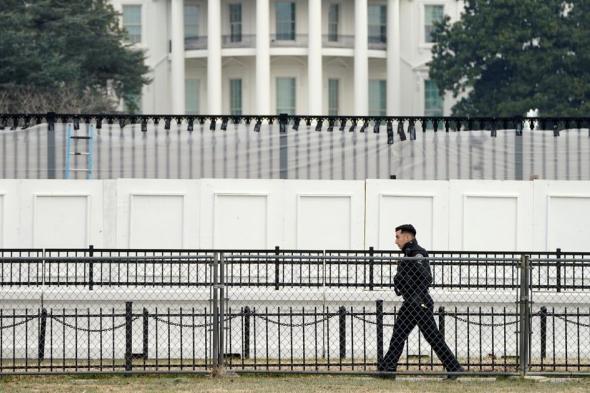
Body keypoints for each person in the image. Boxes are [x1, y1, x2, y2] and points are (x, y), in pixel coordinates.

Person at [378, 224, 464, 379]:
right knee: (400, 334)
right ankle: (387, 369)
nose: (395, 241)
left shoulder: (417, 253)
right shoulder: (409, 253)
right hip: (412, 302)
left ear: (407, 237)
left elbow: (426, 277)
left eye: (397, 237)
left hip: (418, 303)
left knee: (428, 337)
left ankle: (454, 367)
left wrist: (416, 297)